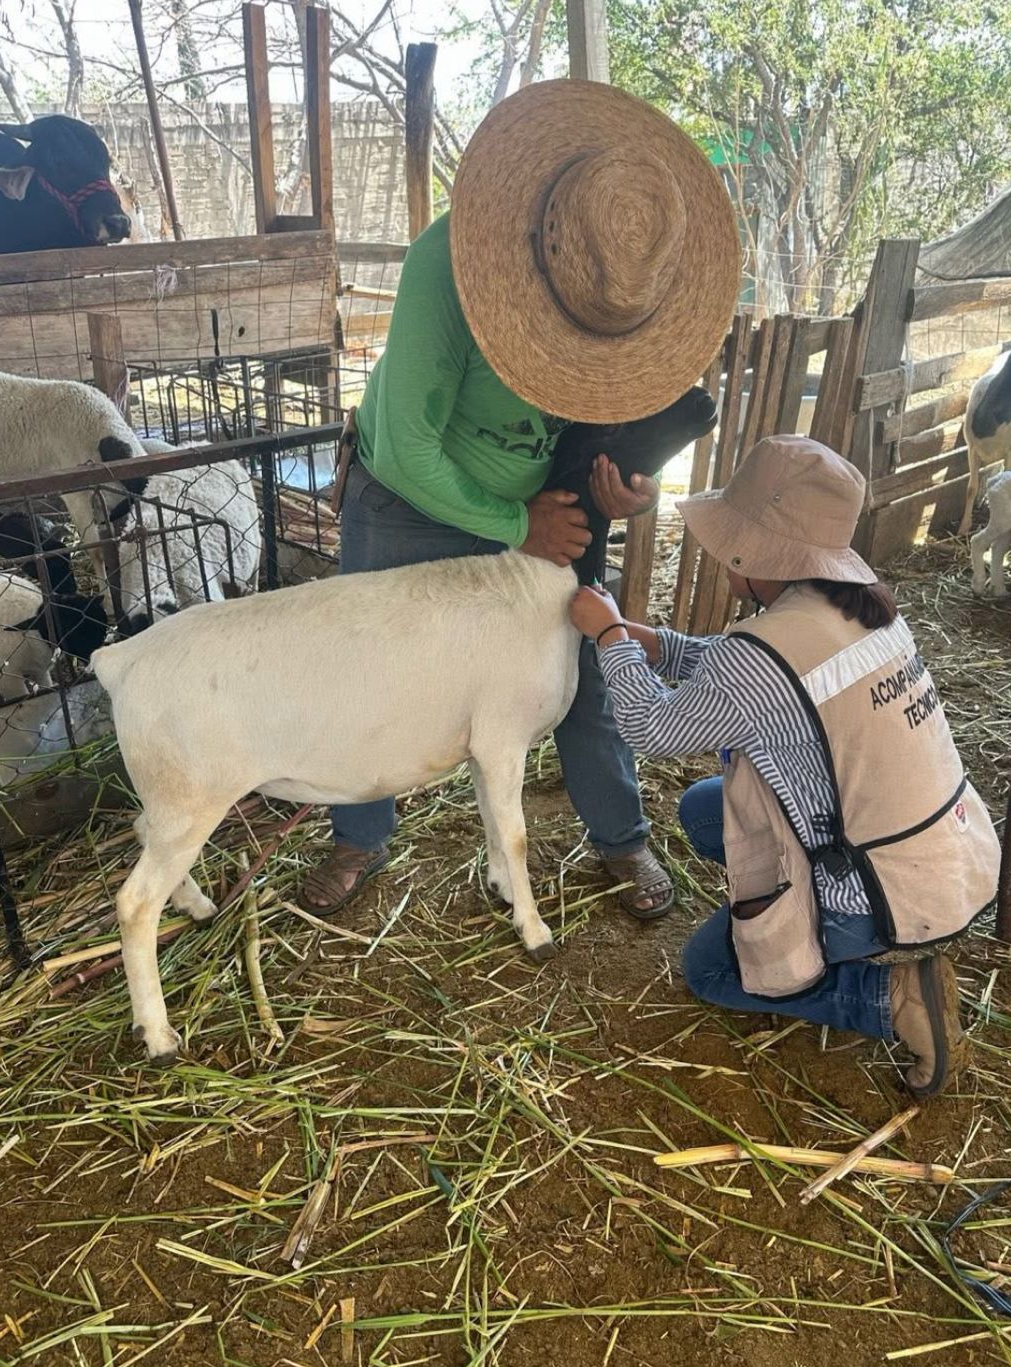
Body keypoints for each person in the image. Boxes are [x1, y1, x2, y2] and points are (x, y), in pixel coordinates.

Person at [297, 78, 741, 920]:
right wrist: (514, 524)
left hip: (547, 503)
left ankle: (621, 836)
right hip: (413, 497)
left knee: (588, 654)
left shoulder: (633, 286)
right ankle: (358, 836)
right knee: (371, 667)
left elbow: (615, 424)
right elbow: (410, 448)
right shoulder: (448, 269)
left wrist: (629, 492)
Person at [569, 436, 1002, 1096]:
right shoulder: (859, 605)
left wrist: (608, 639)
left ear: (757, 551)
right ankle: (826, 924)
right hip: (947, 854)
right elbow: (756, 677)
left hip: (878, 888)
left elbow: (649, 727)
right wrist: (652, 644)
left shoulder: (764, 650)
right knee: (704, 810)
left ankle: (891, 996)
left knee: (710, 971)